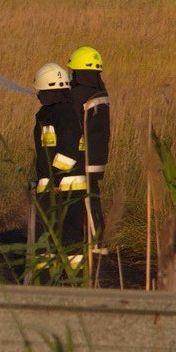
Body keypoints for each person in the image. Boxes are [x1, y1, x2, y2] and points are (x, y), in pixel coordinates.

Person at [31, 62, 86, 261]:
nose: (38, 95)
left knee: (64, 237)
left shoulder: (64, 113)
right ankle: (52, 279)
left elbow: (68, 149)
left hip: (63, 186)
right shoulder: (53, 113)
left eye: (40, 90)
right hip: (55, 185)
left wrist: (55, 179)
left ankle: (63, 284)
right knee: (51, 236)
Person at [66, 46, 110, 255]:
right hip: (97, 155)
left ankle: (94, 244)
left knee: (86, 198)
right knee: (92, 197)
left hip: (84, 157)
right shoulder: (100, 92)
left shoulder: (78, 95)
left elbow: (71, 124)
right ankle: (94, 239)